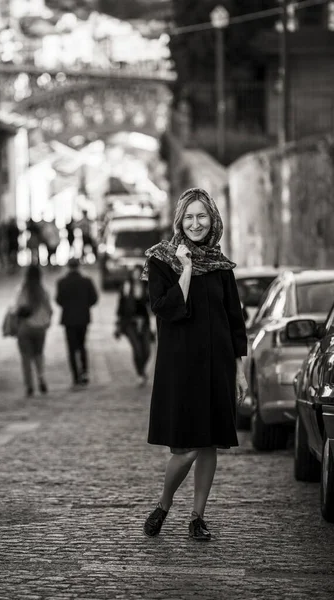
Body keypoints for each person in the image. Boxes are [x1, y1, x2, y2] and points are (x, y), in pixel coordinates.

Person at [142, 188, 248, 542]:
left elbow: (235, 321)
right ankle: (164, 504)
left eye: (202, 216)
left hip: (218, 366)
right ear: (179, 221)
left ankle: (198, 516)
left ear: (212, 219)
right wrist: (186, 269)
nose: (196, 223)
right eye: (189, 217)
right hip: (180, 368)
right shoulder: (161, 260)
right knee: (185, 450)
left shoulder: (221, 267)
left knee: (209, 445)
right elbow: (165, 308)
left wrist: (241, 370)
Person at [55, 258, 98, 389]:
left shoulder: (62, 282)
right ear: (78, 266)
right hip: (83, 318)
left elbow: (59, 300)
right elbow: (94, 298)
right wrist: (84, 306)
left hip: (69, 319)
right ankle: (84, 372)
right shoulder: (86, 281)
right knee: (82, 345)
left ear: (68, 267)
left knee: (71, 348)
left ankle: (75, 376)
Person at [14, 264, 53, 397]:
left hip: (25, 327)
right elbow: (49, 310)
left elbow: (18, 308)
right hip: (40, 328)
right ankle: (41, 377)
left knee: (26, 358)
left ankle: (29, 385)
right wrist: (47, 322)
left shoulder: (22, 291)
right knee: (39, 354)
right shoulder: (43, 292)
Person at [115, 265, 152, 387]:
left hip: (144, 322)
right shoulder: (126, 286)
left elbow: (152, 305)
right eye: (134, 273)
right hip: (130, 322)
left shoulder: (147, 286)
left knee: (146, 351)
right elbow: (120, 305)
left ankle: (141, 371)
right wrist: (118, 324)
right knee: (137, 350)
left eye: (138, 273)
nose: (136, 276)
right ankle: (140, 374)